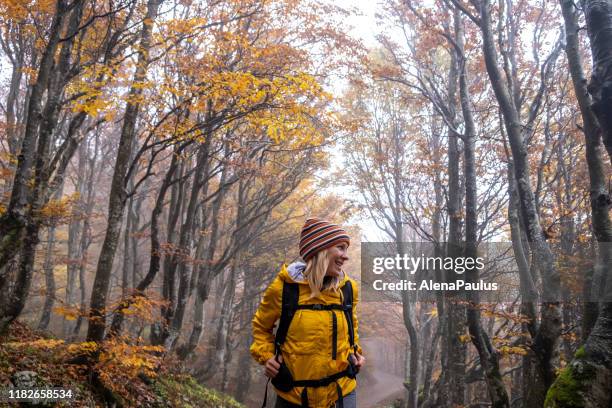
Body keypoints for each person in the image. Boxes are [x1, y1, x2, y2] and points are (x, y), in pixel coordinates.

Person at [250, 218, 365, 408]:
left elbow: (352, 330)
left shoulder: (348, 289)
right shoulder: (284, 288)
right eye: (341, 248)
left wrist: (357, 353)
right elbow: (261, 328)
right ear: (321, 250)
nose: (346, 256)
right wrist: (268, 357)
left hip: (341, 392)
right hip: (294, 395)